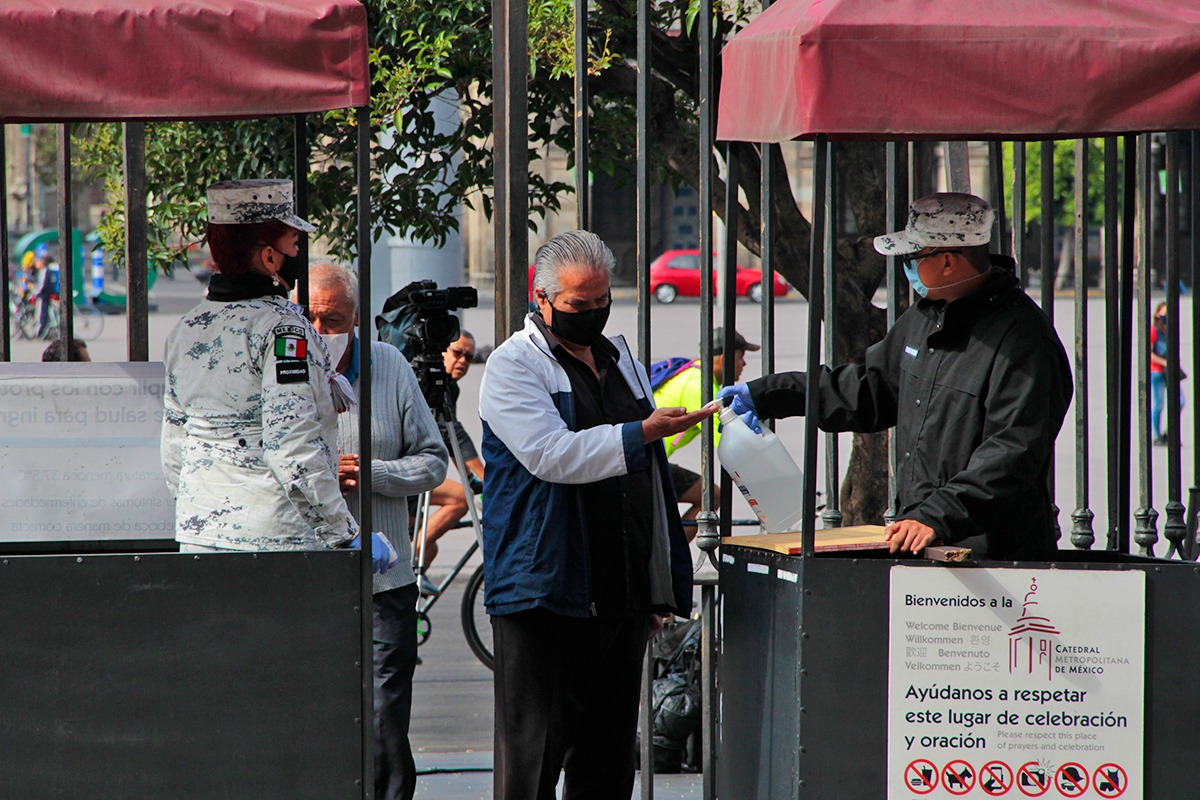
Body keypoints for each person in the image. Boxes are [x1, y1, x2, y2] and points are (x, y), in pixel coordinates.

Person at [479, 229, 715, 799]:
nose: (592, 313)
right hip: (546, 591)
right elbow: (551, 455)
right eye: (578, 304)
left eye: (602, 300)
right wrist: (642, 432)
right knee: (534, 759)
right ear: (542, 298)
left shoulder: (618, 358)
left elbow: (645, 477)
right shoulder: (515, 365)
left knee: (608, 760)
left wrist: (655, 584)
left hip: (619, 593)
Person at [720, 193, 1072, 560]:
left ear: (948, 261)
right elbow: (869, 389)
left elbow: (1012, 453)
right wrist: (768, 394)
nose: (906, 268)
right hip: (925, 540)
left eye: (912, 258)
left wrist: (937, 515)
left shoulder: (1023, 341)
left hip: (994, 554)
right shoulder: (926, 317)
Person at [160, 179, 392, 568]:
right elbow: (291, 445)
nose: (298, 255)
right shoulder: (283, 330)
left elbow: (173, 446)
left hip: (199, 536)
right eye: (294, 245)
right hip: (276, 544)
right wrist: (344, 532)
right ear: (270, 258)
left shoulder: (187, 327)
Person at [305, 262, 448, 800]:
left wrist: (375, 473)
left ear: (357, 319)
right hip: (308, 573)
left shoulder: (389, 365)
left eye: (333, 321)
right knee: (320, 707)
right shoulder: (283, 367)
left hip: (384, 581)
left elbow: (433, 461)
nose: (320, 331)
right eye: (311, 318)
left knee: (385, 711)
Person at [653, 326, 759, 521]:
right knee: (712, 496)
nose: (744, 364)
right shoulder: (700, 385)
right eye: (740, 357)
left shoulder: (693, 373)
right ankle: (674, 542)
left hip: (652, 460)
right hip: (647, 464)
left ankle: (672, 539)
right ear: (724, 359)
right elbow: (729, 439)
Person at [413, 331, 485, 584]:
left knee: (429, 548)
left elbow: (450, 438)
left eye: (469, 357)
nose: (463, 361)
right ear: (441, 351)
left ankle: (410, 591)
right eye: (457, 353)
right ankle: (402, 563)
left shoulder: (448, 387)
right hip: (405, 469)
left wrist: (469, 478)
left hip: (414, 473)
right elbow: (451, 432)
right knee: (459, 499)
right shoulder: (431, 383)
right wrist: (486, 478)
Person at [1149, 301, 1186, 446]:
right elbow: (1149, 354)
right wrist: (1165, 363)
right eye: (1164, 314)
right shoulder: (1153, 331)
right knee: (1158, 404)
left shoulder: (1168, 331)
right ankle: (1157, 435)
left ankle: (1169, 431)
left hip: (1169, 371)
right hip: (1157, 371)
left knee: (1180, 401)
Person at [34, 244, 60, 338]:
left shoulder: (44, 271)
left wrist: (36, 294)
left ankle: (40, 332)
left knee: (42, 314)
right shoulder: (53, 269)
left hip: (45, 295)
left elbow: (42, 285)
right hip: (54, 293)